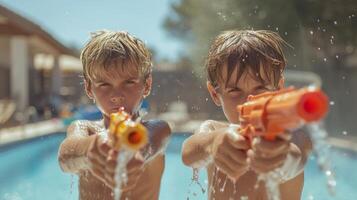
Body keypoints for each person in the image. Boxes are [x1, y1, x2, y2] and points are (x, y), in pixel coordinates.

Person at [182, 30, 312, 200]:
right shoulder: (215, 132)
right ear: (215, 94)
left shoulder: (292, 137)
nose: (249, 100)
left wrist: (278, 157)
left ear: (279, 89)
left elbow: (295, 159)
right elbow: (189, 153)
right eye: (234, 90)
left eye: (260, 88)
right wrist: (212, 144)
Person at [58, 30, 171, 200]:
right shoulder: (85, 129)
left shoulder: (158, 129)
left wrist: (136, 150)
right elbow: (66, 157)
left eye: (129, 82)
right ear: (89, 89)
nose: (117, 95)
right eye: (104, 84)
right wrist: (92, 150)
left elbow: (148, 143)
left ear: (146, 85)